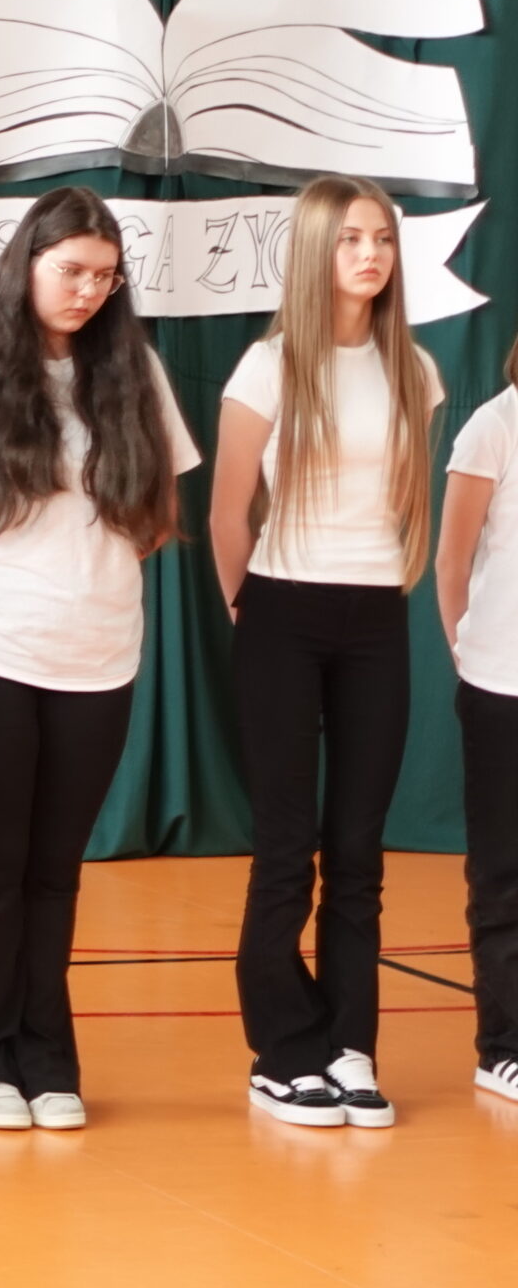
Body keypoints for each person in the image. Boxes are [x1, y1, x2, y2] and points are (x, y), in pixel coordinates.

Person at [0, 186, 197, 1132]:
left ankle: (45, 1060)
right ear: (26, 263)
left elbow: (159, 514)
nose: (88, 291)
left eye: (105, 276)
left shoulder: (133, 369)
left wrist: (86, 578)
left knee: (55, 872)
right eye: (71, 271)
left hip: (96, 662)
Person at [212, 174, 442, 1129]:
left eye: (381, 238)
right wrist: (251, 612)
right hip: (281, 610)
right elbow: (229, 511)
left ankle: (350, 1045)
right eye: (351, 239)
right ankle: (283, 1050)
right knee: (285, 845)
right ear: (316, 250)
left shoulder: (415, 370)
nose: (370, 254)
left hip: (375, 618)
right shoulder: (267, 366)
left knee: (357, 849)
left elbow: (406, 500)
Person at [437, 329, 518, 1108]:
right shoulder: (494, 424)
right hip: (501, 687)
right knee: (503, 875)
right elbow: (451, 561)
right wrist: (468, 654)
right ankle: (504, 1048)